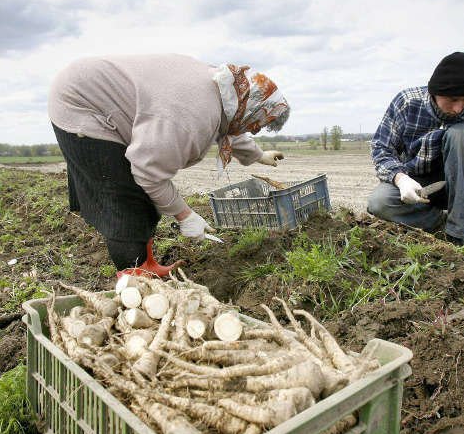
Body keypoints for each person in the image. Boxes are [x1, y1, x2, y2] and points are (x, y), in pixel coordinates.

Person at [48, 54, 289, 277]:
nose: (253, 130)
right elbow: (148, 173)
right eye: (256, 125)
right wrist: (185, 216)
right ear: (250, 110)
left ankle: (149, 265)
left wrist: (259, 155)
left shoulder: (226, 90)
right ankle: (135, 283)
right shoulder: (190, 119)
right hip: (81, 103)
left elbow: (231, 127)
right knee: (125, 200)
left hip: (94, 90)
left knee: (145, 198)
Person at [367, 51, 464, 250]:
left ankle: (458, 235)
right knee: (379, 203)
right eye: (453, 100)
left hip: (459, 187)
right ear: (434, 92)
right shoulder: (407, 102)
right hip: (416, 189)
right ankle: (438, 222)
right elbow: (380, 148)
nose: (458, 108)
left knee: (461, 133)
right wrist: (400, 179)